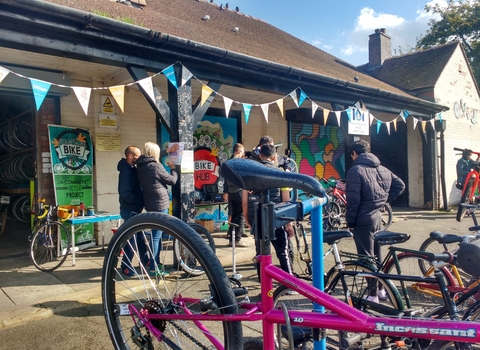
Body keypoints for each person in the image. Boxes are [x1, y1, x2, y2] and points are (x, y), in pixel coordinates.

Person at [345, 139, 405, 303]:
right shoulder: (382, 168)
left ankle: (372, 296)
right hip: (378, 217)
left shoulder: (355, 170)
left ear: (354, 153)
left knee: (366, 258)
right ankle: (381, 290)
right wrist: (384, 201)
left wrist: (350, 222)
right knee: (378, 256)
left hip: (363, 220)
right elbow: (400, 185)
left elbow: (353, 201)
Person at [243, 144, 294, 281]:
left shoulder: (250, 174)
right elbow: (286, 200)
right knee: (282, 251)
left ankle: (264, 285)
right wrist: (288, 224)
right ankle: (289, 284)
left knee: (260, 253)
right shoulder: (281, 174)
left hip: (257, 217)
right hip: (275, 217)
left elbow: (245, 199)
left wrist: (247, 218)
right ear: (273, 157)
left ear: (260, 155)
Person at [136, 141, 178, 277]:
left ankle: (156, 263)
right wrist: (173, 168)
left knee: (156, 236)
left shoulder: (141, 165)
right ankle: (154, 268)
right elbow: (172, 180)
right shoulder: (156, 166)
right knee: (156, 237)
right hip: (160, 203)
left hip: (149, 203)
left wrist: (169, 150)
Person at [117, 146, 146, 276]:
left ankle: (145, 260)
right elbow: (124, 192)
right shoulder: (126, 172)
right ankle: (126, 266)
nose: (139, 158)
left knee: (140, 237)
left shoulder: (131, 169)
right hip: (130, 209)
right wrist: (138, 201)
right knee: (132, 239)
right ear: (130, 156)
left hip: (134, 209)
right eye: (137, 156)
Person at [223, 143, 249, 247]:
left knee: (233, 216)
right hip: (239, 191)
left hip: (230, 192)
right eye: (242, 153)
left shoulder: (227, 163)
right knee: (241, 215)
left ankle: (231, 239)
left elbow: (225, 179)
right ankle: (237, 239)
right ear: (238, 152)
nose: (242, 155)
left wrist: (225, 191)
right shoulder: (239, 163)